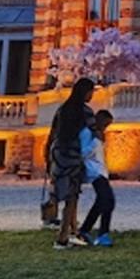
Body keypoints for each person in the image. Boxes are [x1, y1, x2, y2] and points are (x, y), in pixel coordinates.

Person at [51, 78, 95, 249]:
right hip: (74, 156)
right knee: (72, 196)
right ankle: (62, 237)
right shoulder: (85, 112)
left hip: (59, 154)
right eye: (91, 92)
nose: (92, 95)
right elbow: (94, 132)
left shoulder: (63, 110)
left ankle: (72, 231)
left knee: (66, 194)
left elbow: (53, 132)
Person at [77, 109, 116, 247]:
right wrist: (95, 142)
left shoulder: (97, 135)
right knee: (107, 200)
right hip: (94, 172)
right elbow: (82, 153)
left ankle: (86, 230)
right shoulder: (87, 134)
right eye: (105, 125)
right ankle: (102, 233)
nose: (105, 128)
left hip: (101, 171)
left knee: (103, 201)